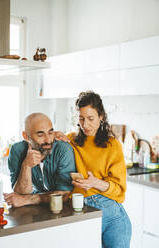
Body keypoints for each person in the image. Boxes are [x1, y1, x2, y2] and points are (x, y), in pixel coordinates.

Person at [67, 91, 132, 248]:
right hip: (80, 209)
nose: (85, 124)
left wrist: (95, 183)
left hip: (112, 215)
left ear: (101, 116)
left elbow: (119, 191)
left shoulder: (112, 145)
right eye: (81, 118)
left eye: (91, 118)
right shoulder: (70, 140)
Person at [4, 113, 76, 207]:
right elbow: (21, 193)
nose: (48, 140)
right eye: (40, 135)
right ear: (26, 136)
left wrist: (27, 200)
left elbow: (63, 195)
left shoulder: (63, 149)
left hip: (61, 209)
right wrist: (26, 165)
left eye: (50, 133)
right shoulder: (17, 150)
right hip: (36, 209)